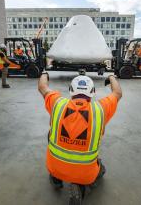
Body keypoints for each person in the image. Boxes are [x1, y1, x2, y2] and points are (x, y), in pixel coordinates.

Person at [38, 73, 122, 204]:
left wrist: (44, 73)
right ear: (93, 92)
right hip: (86, 174)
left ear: (71, 90)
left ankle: (56, 178)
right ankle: (81, 186)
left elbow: (42, 86)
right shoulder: (101, 109)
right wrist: (111, 77)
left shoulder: (58, 103)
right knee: (99, 167)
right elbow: (117, 93)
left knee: (51, 133)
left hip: (54, 166)